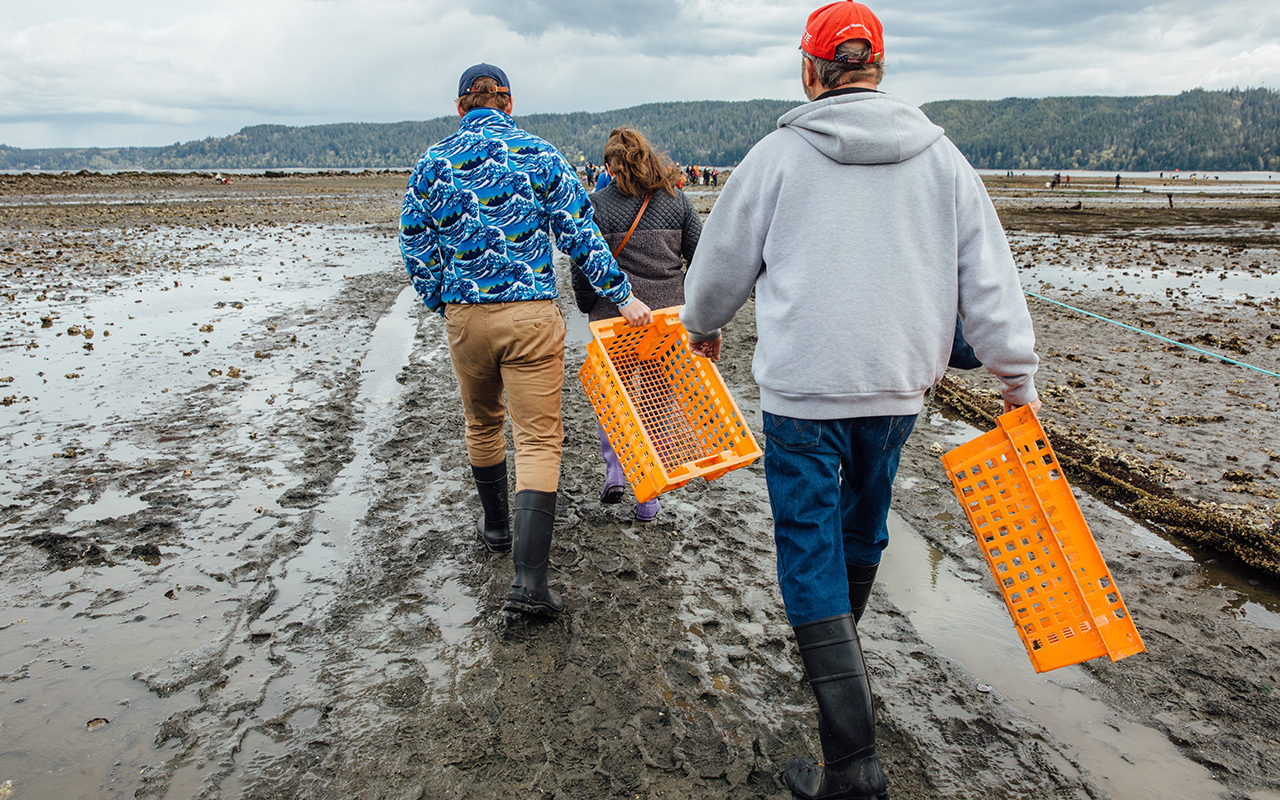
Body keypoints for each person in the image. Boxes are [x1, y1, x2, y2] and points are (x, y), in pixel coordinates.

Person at [679, 4, 1041, 798]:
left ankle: (852, 763)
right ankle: (845, 653)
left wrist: (702, 329)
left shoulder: (776, 157)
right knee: (863, 527)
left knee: (808, 546)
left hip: (804, 396)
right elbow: (989, 282)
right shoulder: (944, 161)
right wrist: (1019, 381)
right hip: (895, 391)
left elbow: (715, 275)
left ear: (811, 70)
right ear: (876, 67)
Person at [399, 63, 652, 619]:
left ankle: (494, 528)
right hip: (531, 314)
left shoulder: (432, 161)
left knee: (482, 423)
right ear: (508, 103)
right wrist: (622, 295)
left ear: (461, 106)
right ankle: (529, 584)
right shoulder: (539, 154)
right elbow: (580, 233)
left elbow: (413, 241)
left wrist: (441, 299)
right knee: (538, 440)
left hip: (466, 316)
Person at [572, 127, 703, 522]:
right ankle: (648, 497)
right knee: (657, 403)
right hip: (665, 321)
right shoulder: (676, 201)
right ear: (648, 157)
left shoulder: (596, 205)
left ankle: (615, 469)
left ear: (609, 166)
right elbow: (703, 255)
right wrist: (688, 300)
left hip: (613, 318)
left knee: (614, 401)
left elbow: (583, 266)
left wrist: (586, 304)